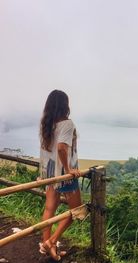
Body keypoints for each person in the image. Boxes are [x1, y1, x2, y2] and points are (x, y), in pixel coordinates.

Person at [38, 90, 81, 261]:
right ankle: (52, 241)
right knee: (78, 211)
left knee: (49, 209)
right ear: (65, 105)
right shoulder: (67, 124)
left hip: (50, 171)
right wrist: (69, 169)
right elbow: (62, 148)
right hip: (63, 174)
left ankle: (47, 246)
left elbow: (48, 150)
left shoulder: (47, 124)